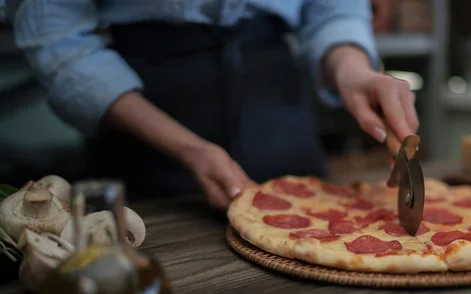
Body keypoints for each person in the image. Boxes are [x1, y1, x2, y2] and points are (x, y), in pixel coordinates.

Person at [7, 0, 419, 209]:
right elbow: (55, 35)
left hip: (277, 102)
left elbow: (332, 7)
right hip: (145, 122)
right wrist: (189, 149)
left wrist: (351, 69)